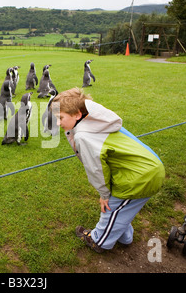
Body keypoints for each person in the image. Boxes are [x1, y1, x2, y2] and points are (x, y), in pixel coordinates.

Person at [51, 87, 165, 253]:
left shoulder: (84, 136)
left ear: (77, 114)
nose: (57, 123)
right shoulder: (96, 119)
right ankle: (125, 238)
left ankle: (99, 240)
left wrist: (104, 195)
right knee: (122, 209)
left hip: (139, 177)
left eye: (60, 118)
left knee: (110, 207)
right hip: (149, 167)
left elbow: (96, 169)